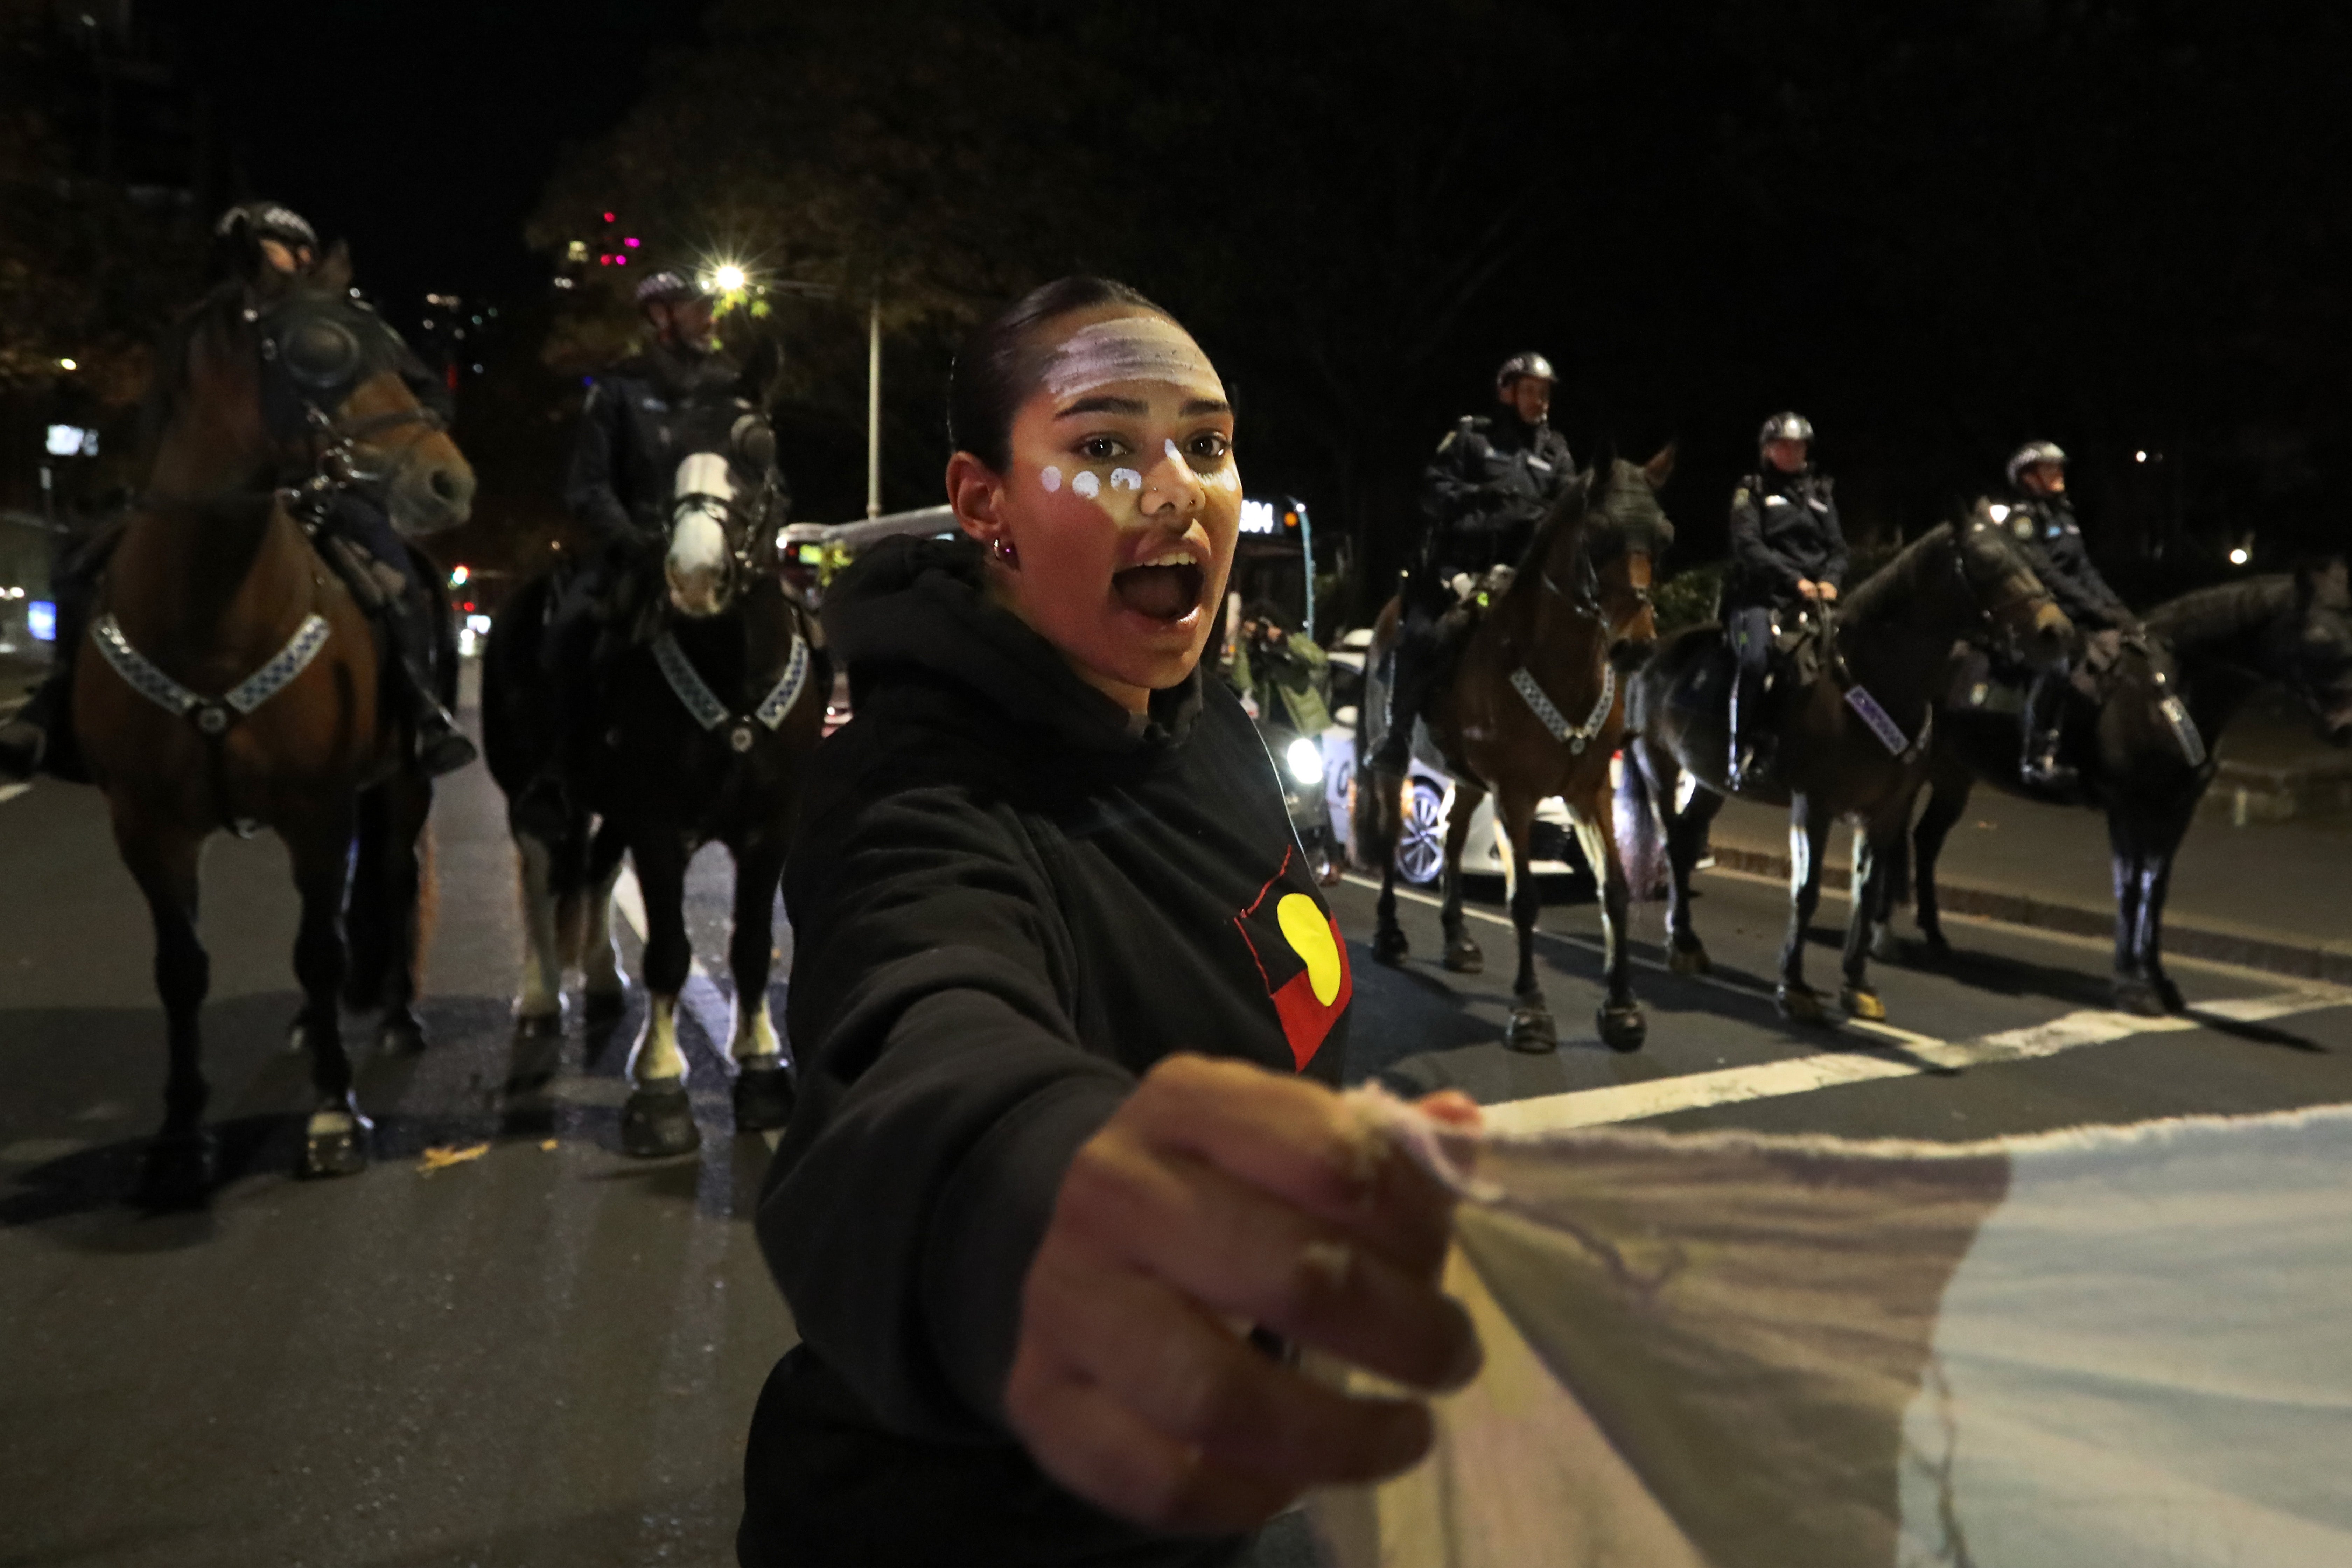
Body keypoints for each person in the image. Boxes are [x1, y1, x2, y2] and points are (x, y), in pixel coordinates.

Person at [737, 277, 1481, 1567]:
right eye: (1099, 446)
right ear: (985, 506)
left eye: (1204, 442)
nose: (1176, 486)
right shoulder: (912, 793)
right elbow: (924, 1035)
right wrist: (1072, 1204)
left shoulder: (1202, 725)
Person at [0, 201, 474, 782]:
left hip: (320, 487)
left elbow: (415, 393)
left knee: (400, 579)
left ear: (302, 258)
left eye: (272, 249)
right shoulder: (201, 328)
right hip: (199, 492)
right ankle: (57, 702)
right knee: (79, 566)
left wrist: (392, 439)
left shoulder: (341, 325)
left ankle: (423, 711)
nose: (260, 263)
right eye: (249, 253)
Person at [514, 268, 764, 827]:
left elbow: (762, 473)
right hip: (637, 549)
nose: (710, 317)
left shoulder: (732, 383)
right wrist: (636, 541)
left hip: (722, 543)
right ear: (660, 316)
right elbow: (589, 486)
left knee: (799, 633)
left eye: (710, 307)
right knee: (567, 633)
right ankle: (559, 772)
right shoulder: (620, 389)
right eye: (696, 307)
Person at [1372, 351, 1575, 772]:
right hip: (1457, 571)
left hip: (1517, 576)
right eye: (1532, 392)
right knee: (1422, 638)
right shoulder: (1472, 438)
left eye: (1545, 394)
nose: (1541, 402)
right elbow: (1432, 489)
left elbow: (1570, 506)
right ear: (1508, 392)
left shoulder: (1556, 451)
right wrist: (1475, 496)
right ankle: (1397, 738)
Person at [1721, 411, 1848, 788]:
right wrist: (1797, 582)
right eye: (1785, 446)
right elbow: (1749, 546)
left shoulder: (1821, 493)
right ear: (1769, 450)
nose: (1794, 452)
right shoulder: (1752, 491)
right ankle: (1741, 751)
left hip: (1814, 600)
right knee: (1757, 660)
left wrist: (1831, 580)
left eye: (1800, 446)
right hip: (1761, 598)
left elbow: (1839, 548)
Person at [2000, 440, 2136, 789]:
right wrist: (2094, 609)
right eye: (2050, 468)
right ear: (2029, 479)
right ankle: (2035, 756)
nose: (2059, 473)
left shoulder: (2065, 515)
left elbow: (2085, 570)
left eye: (2060, 467)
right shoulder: (2023, 521)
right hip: (2039, 611)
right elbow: (2048, 575)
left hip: (2074, 608)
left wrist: (2116, 608)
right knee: (2057, 665)